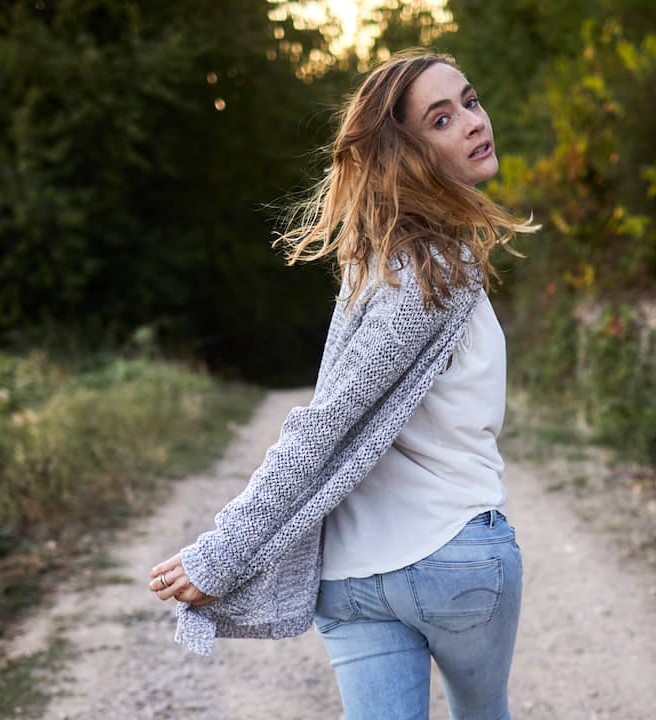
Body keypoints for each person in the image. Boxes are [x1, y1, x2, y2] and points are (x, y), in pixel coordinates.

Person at [146, 48, 538, 719]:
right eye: (441, 119)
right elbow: (325, 426)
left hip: (353, 578)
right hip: (455, 557)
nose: (475, 122)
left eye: (470, 102)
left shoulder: (380, 268)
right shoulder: (429, 273)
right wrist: (223, 551)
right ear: (405, 154)